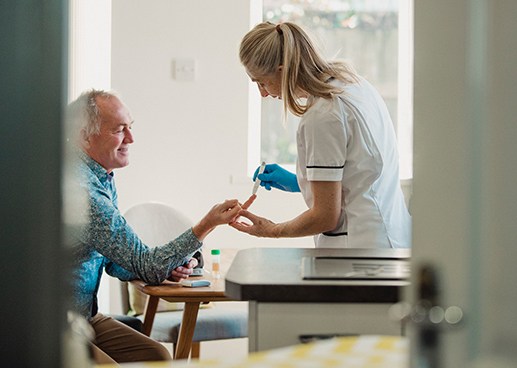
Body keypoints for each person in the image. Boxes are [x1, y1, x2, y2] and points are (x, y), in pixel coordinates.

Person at [66, 89, 248, 364]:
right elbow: (146, 264)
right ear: (84, 135)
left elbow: (117, 263)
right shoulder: (83, 190)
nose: (131, 138)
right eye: (119, 130)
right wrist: (207, 224)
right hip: (58, 324)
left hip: (85, 316)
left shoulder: (101, 176)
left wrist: (169, 267)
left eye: (130, 127)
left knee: (157, 356)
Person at [230, 21, 411, 248]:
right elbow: (361, 174)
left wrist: (270, 230)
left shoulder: (322, 116)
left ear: (282, 72)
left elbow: (325, 217)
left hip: (360, 251)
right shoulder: (352, 84)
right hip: (392, 236)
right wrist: (300, 182)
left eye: (261, 83)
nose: (263, 93)